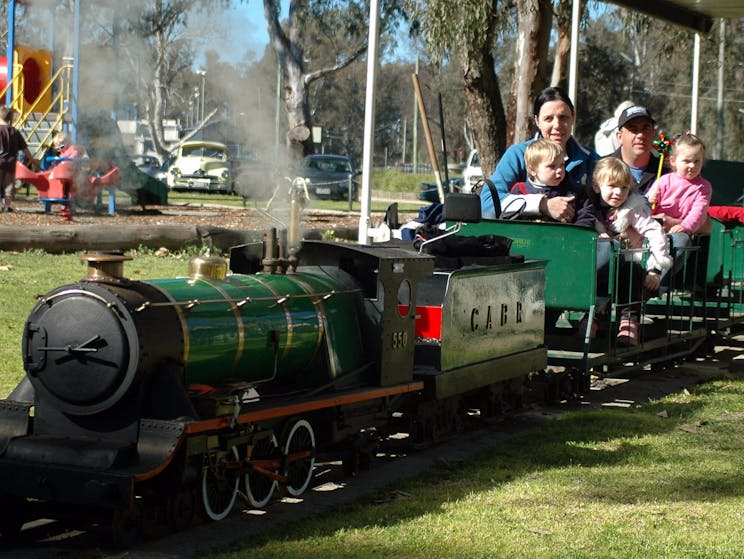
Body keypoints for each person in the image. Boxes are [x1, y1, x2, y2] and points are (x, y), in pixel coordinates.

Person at [480, 86, 599, 221]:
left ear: (573, 117)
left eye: (563, 117)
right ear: (537, 121)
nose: (557, 125)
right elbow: (487, 203)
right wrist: (542, 204)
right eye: (548, 118)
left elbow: (620, 185)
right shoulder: (518, 155)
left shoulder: (590, 159)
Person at [590, 157, 672, 346]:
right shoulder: (592, 209)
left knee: (629, 272)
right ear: (596, 186)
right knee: (598, 275)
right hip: (605, 264)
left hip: (629, 263)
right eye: (611, 186)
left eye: (624, 188)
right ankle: (593, 317)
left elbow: (656, 232)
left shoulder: (633, 209)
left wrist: (655, 268)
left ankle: (629, 320)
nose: (618, 193)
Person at [646, 132, 712, 289]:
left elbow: (699, 212)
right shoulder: (664, 180)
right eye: (687, 161)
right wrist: (650, 200)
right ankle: (646, 278)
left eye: (697, 161)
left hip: (677, 232)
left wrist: (686, 226)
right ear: (673, 161)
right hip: (655, 228)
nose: (692, 166)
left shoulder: (703, 187)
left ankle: (659, 284)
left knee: (680, 242)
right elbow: (645, 206)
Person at [508, 138, 595, 227]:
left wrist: (577, 232)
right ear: (532, 170)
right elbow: (509, 216)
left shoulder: (573, 192)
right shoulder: (520, 191)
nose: (559, 170)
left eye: (562, 165)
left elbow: (586, 215)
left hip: (564, 238)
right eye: (552, 166)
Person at [610, 104, 668, 195]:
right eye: (633, 129)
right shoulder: (601, 169)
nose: (640, 135)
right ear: (619, 137)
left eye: (646, 129)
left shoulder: (666, 173)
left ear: (654, 134)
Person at [0, 106, 35, 212]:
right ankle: (7, 206)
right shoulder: (15, 132)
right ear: (10, 118)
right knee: (9, 185)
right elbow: (24, 148)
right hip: (11, 163)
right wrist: (32, 160)